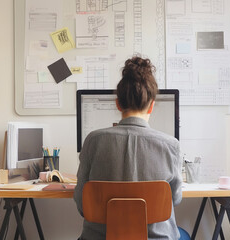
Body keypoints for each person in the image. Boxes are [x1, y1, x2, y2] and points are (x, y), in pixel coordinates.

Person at [73, 56, 183, 240]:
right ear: (152, 106)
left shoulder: (93, 141)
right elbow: (175, 199)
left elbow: (82, 204)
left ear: (117, 103)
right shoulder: (171, 145)